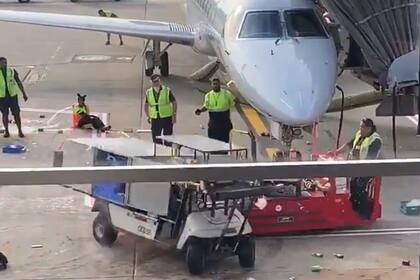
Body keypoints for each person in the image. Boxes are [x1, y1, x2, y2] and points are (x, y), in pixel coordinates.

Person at [336, 118, 382, 219]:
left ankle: (364, 214)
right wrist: (336, 152)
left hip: (367, 169)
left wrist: (359, 168)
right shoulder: (360, 135)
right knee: (352, 187)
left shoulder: (375, 140)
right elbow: (349, 144)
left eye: (362, 127)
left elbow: (370, 158)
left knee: (360, 189)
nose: (360, 129)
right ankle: (354, 210)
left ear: (369, 128)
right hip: (356, 167)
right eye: (360, 126)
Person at [195, 77, 236, 143]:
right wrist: (200, 110)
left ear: (219, 84)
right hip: (213, 125)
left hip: (224, 125)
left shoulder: (227, 94)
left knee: (224, 145)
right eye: (214, 84)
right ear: (211, 85)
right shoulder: (208, 95)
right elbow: (206, 106)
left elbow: (234, 102)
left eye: (217, 84)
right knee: (213, 144)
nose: (215, 85)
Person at [144, 74, 177, 144]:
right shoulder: (149, 92)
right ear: (151, 83)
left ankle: (168, 152)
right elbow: (146, 105)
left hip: (167, 117)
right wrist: (148, 116)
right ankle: (158, 151)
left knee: (168, 138)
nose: (156, 83)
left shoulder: (166, 90)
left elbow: (174, 102)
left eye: (157, 81)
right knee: (156, 138)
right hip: (155, 118)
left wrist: (174, 115)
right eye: (154, 81)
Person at [0, 57, 28, 138]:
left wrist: (24, 93)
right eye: (2, 63)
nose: (5, 64)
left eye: (5, 63)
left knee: (16, 114)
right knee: (5, 114)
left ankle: (20, 130)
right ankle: (7, 131)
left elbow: (18, 82)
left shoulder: (11, 71)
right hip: (2, 97)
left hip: (12, 96)